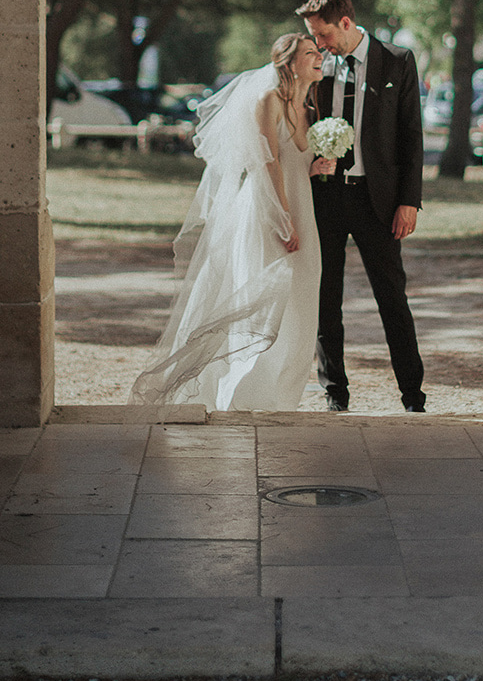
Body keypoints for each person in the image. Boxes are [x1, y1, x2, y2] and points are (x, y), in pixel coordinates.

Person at [130, 34, 335, 412]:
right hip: (267, 210)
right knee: (258, 298)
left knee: (304, 298)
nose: (319, 57)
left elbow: (294, 166)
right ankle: (244, 392)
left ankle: (282, 394)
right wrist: (281, 216)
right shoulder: (267, 100)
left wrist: (317, 166)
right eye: (310, 53)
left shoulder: (309, 108)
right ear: (289, 64)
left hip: (303, 210)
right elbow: (267, 162)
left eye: (318, 52)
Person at [296, 0, 427, 413]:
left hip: (379, 202)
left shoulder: (397, 60)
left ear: (346, 24)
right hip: (326, 199)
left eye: (323, 34)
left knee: (392, 297)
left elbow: (411, 136)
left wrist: (409, 201)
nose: (318, 44)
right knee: (325, 298)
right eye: (313, 37)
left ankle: (412, 395)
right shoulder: (317, 65)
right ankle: (335, 392)